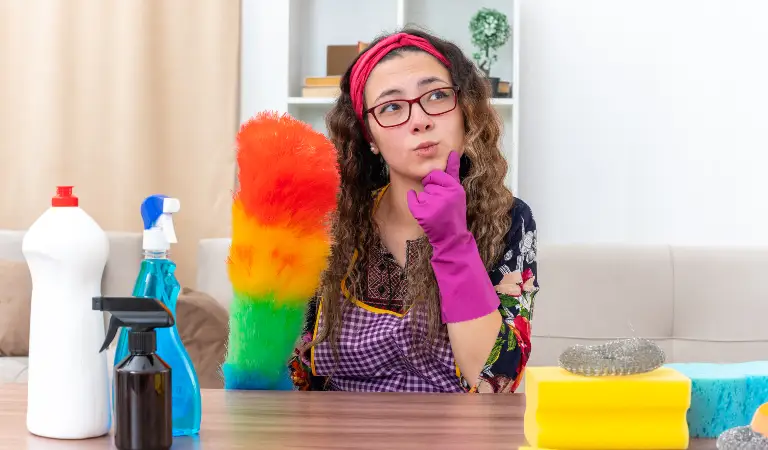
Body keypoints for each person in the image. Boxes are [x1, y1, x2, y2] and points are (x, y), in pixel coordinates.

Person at [288, 28, 539, 393]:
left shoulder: (508, 220)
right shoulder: (328, 223)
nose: (420, 120)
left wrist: (452, 242)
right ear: (370, 137)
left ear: (465, 112)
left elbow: (494, 383)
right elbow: (293, 373)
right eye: (391, 107)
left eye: (437, 96)